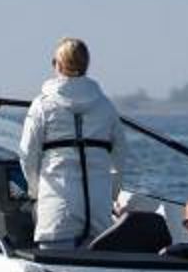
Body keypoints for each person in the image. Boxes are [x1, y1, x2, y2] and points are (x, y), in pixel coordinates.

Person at [19, 37, 125, 250]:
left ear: (57, 65)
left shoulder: (42, 106)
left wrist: (35, 192)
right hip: (98, 209)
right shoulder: (106, 106)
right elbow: (120, 154)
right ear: (86, 65)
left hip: (58, 210)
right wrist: (111, 193)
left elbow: (28, 154)